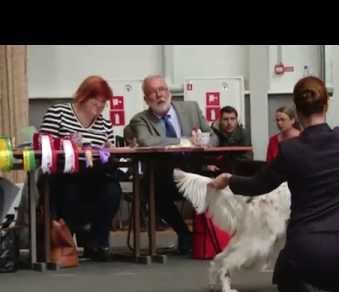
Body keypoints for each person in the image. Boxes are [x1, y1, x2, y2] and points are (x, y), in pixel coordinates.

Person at [209, 76, 339, 292]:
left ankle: (308, 288)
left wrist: (228, 179)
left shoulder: (290, 151)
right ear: (327, 105)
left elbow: (258, 185)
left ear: (297, 112)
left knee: (284, 273)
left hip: (312, 250)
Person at [127, 74, 212, 255]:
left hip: (195, 171)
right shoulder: (140, 119)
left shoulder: (192, 108)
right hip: (164, 177)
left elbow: (213, 135)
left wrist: (205, 140)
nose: (159, 95)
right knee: (152, 191)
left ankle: (209, 236)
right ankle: (184, 233)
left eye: (162, 89)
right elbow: (147, 141)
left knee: (216, 183)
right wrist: (185, 141)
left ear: (169, 92)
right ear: (145, 99)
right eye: (153, 92)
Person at [39, 75, 121, 261]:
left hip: (95, 173)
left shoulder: (104, 124)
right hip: (63, 172)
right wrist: (65, 143)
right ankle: (73, 235)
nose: (100, 106)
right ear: (83, 96)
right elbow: (44, 146)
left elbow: (108, 154)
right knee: (70, 186)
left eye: (103, 102)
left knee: (113, 190)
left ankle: (96, 242)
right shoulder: (58, 112)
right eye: (96, 100)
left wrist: (109, 150)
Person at [207, 105, 252, 174]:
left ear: (237, 120)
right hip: (216, 171)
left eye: (232, 119)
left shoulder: (243, 134)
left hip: (237, 172)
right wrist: (208, 165)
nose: (229, 123)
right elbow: (207, 156)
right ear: (220, 121)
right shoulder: (213, 133)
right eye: (225, 119)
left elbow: (246, 159)